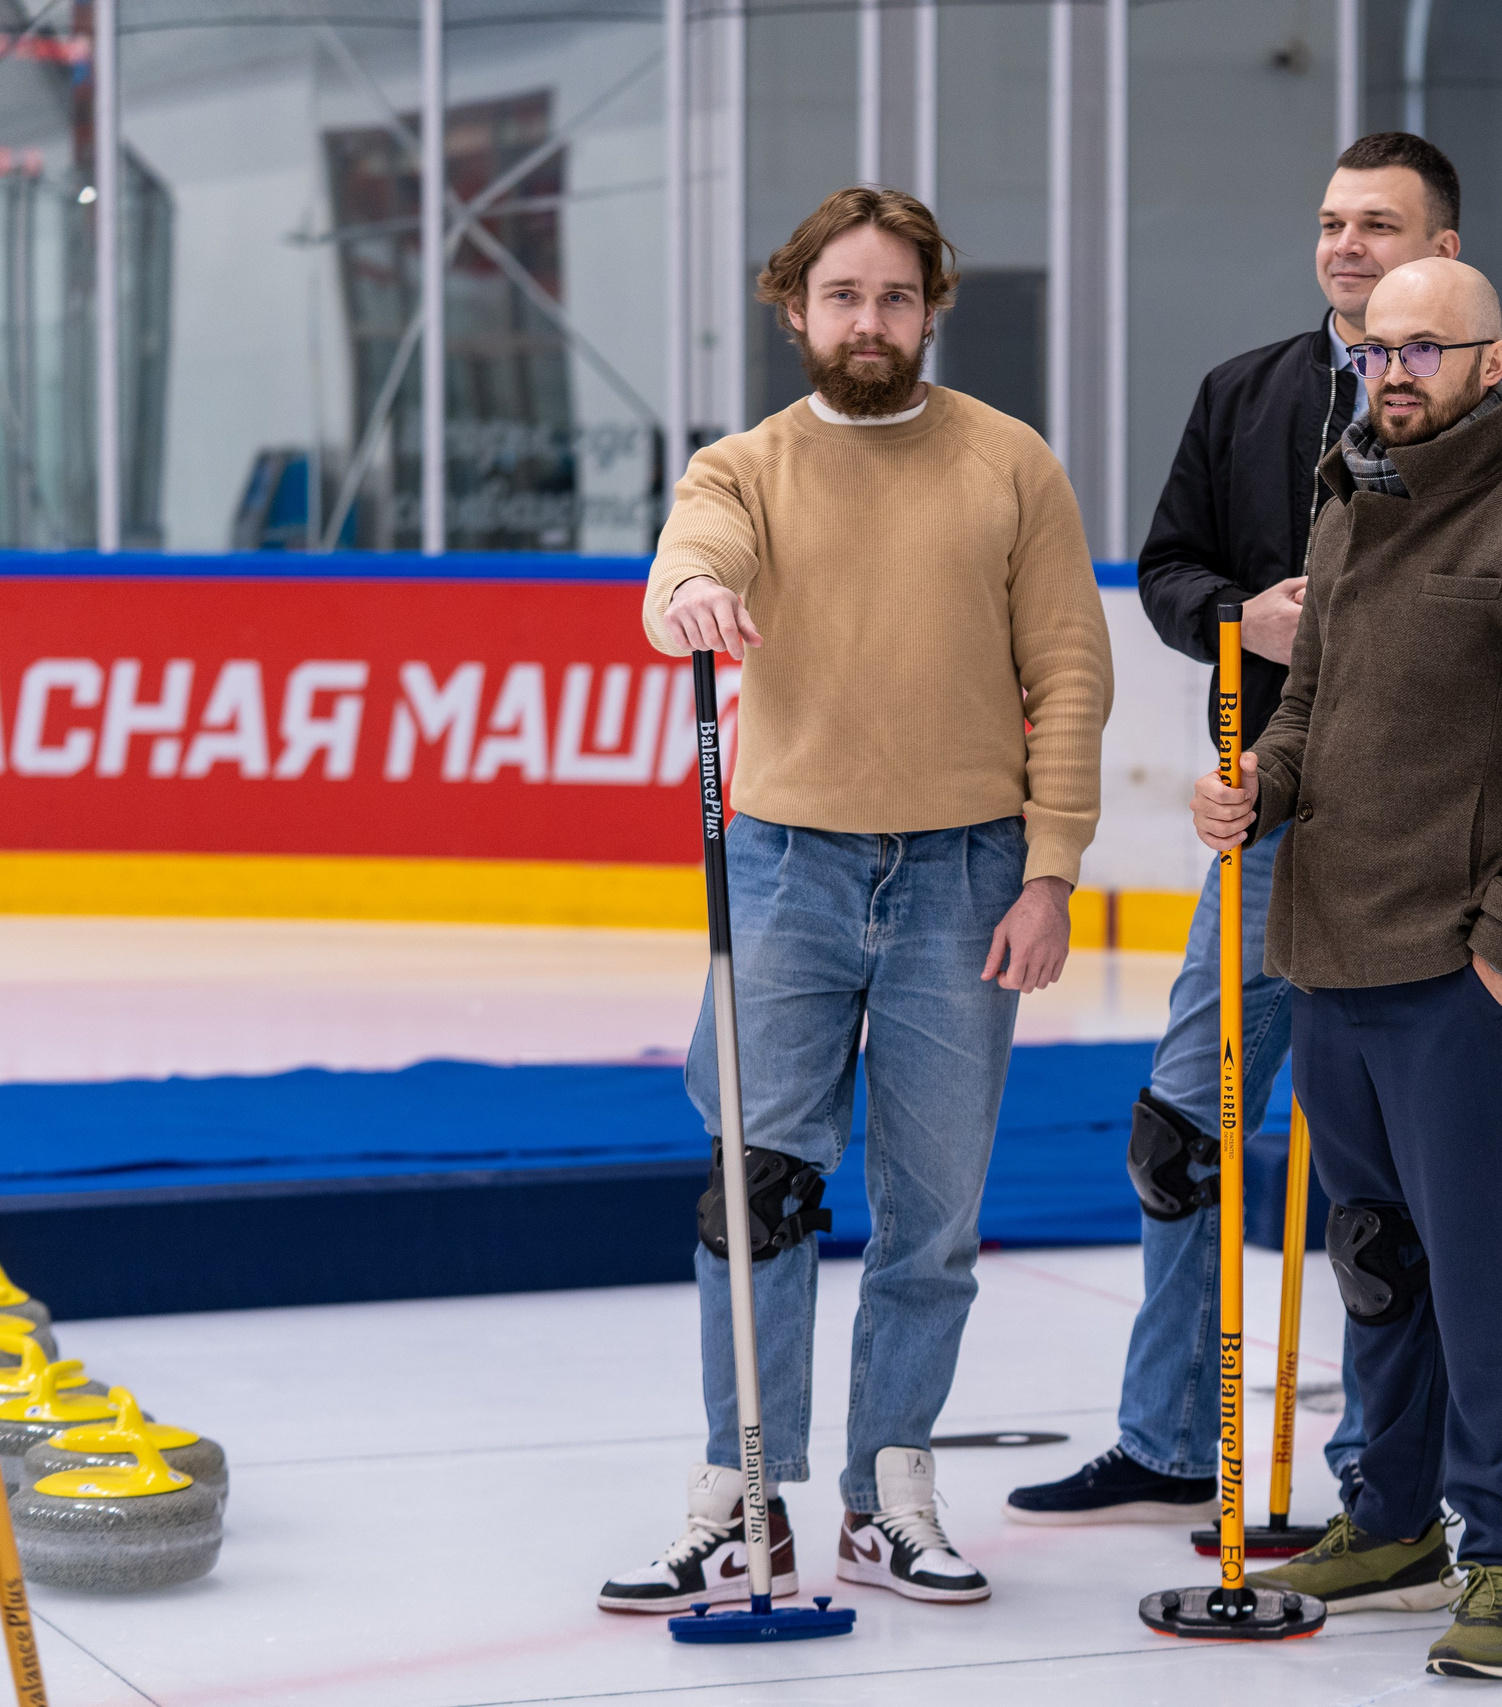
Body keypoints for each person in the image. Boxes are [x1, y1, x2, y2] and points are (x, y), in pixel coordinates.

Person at [1007, 132, 1502, 1530]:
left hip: (1428, 862)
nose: (1345, 246)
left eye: (1379, 224)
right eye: (1331, 221)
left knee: (1401, 1204)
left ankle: (1388, 1484)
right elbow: (1163, 568)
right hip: (1268, 827)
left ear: (1448, 255)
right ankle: (1168, 1431)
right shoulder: (1244, 394)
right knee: (1181, 1132)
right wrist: (1236, 621)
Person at [597, 186, 1113, 1613]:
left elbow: (1070, 673)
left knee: (930, 1214)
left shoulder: (1011, 466)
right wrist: (693, 597)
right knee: (751, 1197)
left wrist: (1052, 867)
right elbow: (682, 567)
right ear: (795, 310)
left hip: (966, 876)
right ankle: (741, 1491)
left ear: (933, 308)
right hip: (784, 870)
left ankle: (889, 1489)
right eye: (843, 297)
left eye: (896, 297)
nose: (869, 323)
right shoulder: (743, 466)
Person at [1206, 257, 1502, 1682]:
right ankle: (1393, 1517)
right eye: (1381, 348)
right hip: (1324, 956)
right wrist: (1254, 787)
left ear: (1491, 367)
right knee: (1377, 1265)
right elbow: (1311, 709)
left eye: (1428, 350)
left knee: (1485, 1275)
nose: (1396, 371)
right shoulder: (1345, 505)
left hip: (1456, 980)